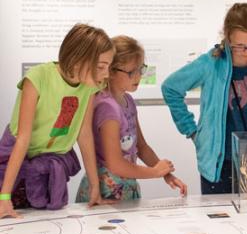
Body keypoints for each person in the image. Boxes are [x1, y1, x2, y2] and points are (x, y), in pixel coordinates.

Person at [162, 3, 247, 194]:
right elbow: (170, 87)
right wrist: (193, 132)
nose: (246, 51)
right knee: (219, 220)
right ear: (228, 37)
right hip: (219, 163)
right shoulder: (211, 63)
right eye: (239, 45)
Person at [0, 24, 115, 219]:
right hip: (17, 158)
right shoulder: (38, 77)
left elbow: (84, 133)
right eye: (101, 67)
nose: (106, 74)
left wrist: (95, 186)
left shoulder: (89, 87)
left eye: (108, 67)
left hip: (51, 161)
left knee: (46, 218)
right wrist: (4, 195)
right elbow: (23, 138)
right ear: (78, 59)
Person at [76, 35, 187, 202]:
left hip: (125, 186)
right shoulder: (107, 107)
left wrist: (166, 174)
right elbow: (115, 163)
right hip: (107, 190)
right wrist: (155, 172)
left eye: (140, 69)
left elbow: (141, 147)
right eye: (131, 72)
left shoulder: (128, 101)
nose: (138, 76)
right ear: (111, 71)